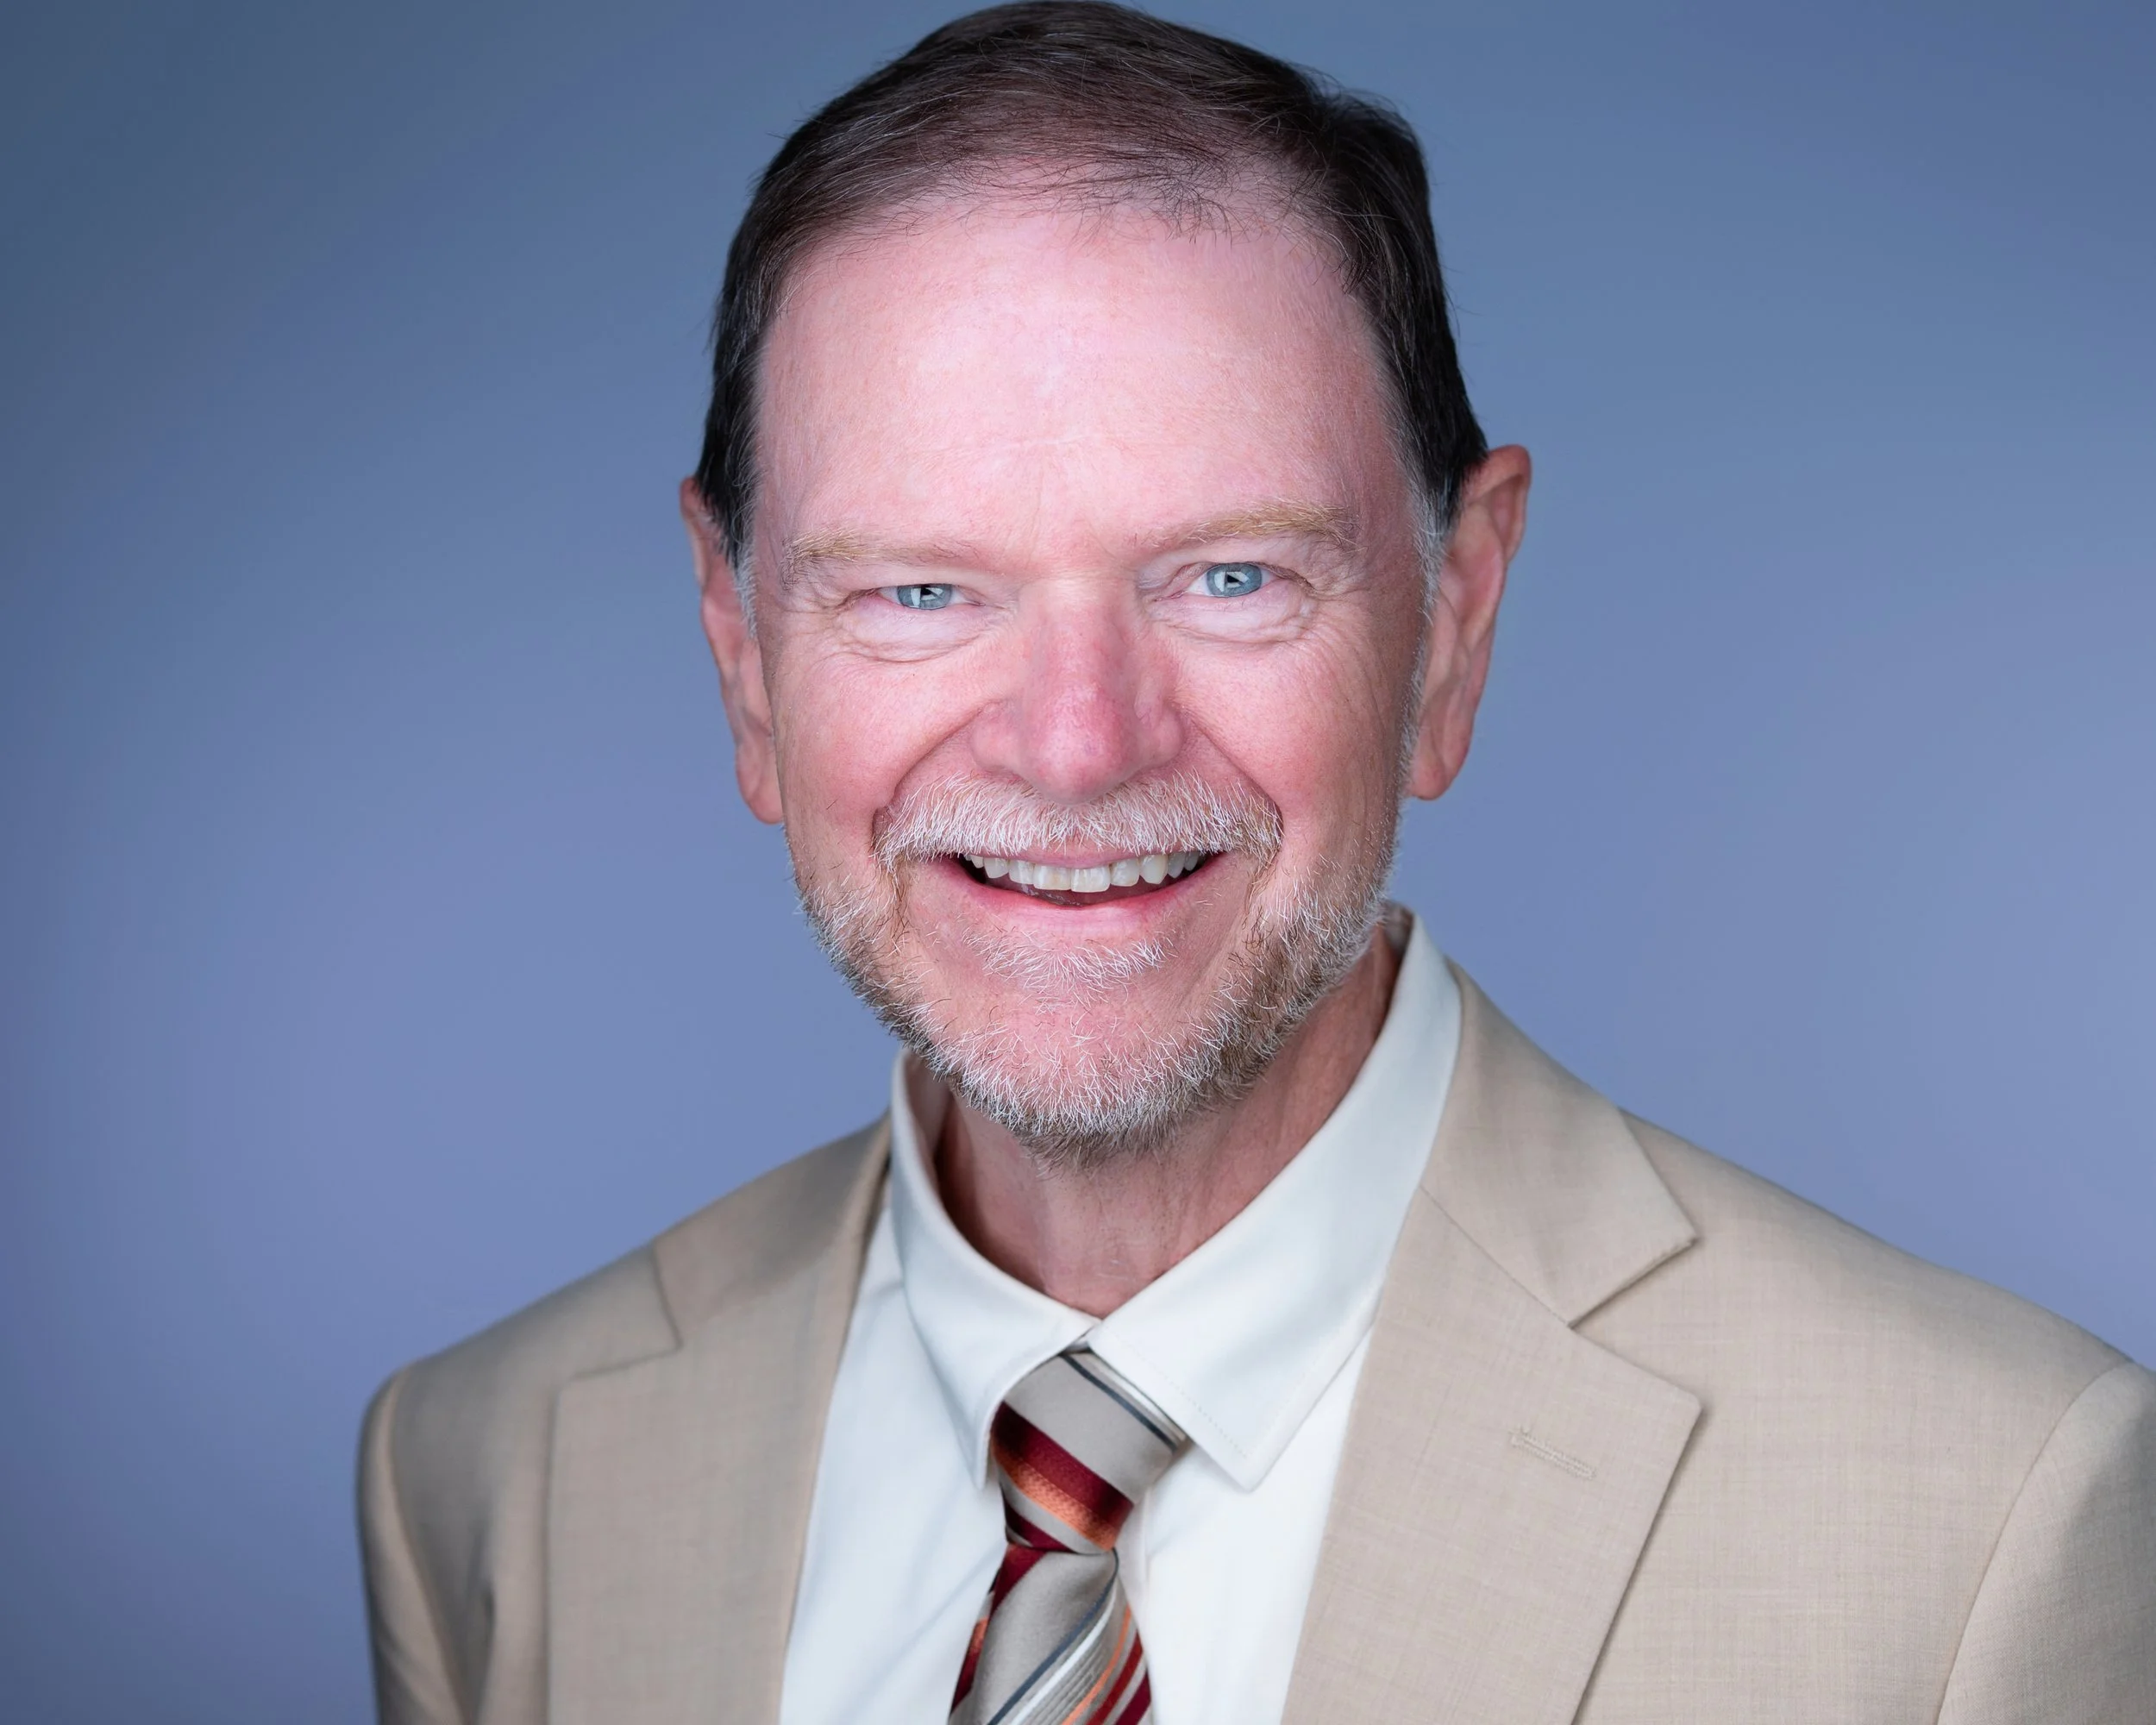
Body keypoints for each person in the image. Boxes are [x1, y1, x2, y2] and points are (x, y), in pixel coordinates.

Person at [356, 6, 2156, 1721]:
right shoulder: (491, 1476)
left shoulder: (1988, 1520)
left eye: (1229, 575)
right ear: (741, 654)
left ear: (1452, 623)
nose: (1075, 742)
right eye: (916, 589)